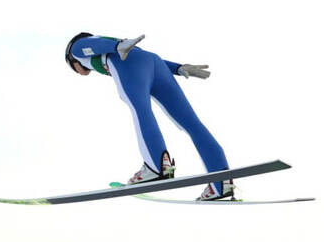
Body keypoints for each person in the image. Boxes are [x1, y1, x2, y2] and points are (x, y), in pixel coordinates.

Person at [65, 32, 233, 201]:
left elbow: (88, 47)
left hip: (128, 64)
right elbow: (140, 55)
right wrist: (178, 68)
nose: (79, 72)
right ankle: (221, 182)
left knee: (141, 110)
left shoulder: (76, 48)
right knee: (192, 124)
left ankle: (156, 166)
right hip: (155, 64)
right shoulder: (108, 41)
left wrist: (116, 47)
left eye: (73, 68)